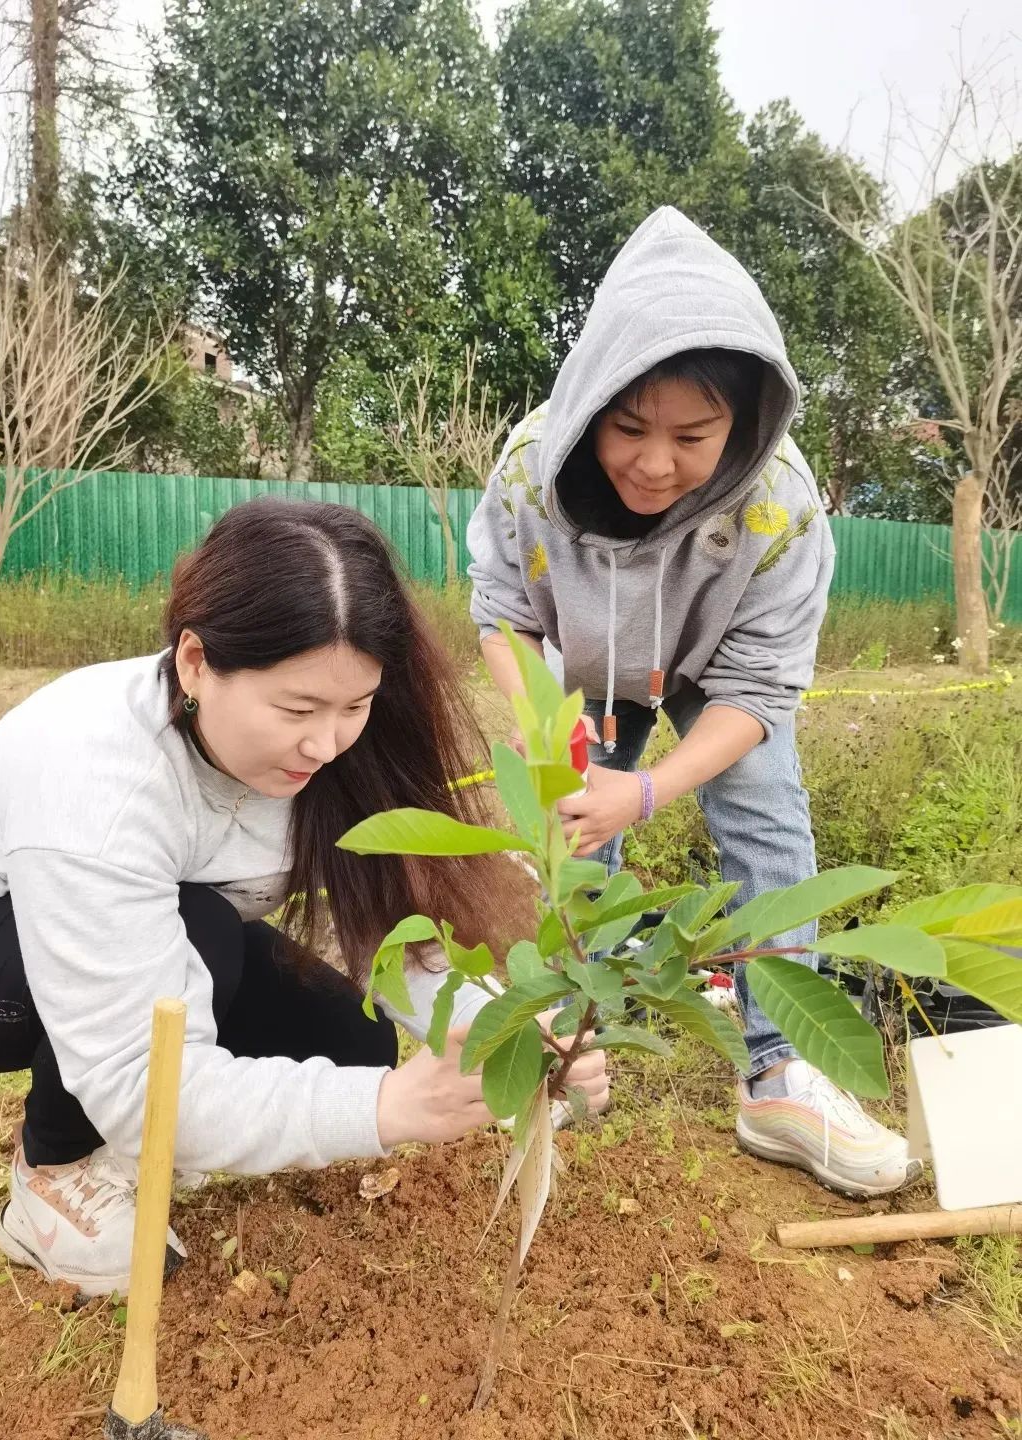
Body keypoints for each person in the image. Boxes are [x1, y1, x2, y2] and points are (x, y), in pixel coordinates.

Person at [0, 499, 609, 1295]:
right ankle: (51, 1177)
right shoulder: (97, 779)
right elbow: (134, 1075)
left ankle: (163, 1139)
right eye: (297, 709)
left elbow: (388, 930)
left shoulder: (330, 760)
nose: (325, 744)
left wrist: (503, 1032)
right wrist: (393, 1109)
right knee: (203, 938)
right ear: (194, 662)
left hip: (151, 932)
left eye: (353, 707)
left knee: (349, 1041)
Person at [467, 206, 918, 1200]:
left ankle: (779, 1072)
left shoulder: (780, 507)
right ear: (591, 404)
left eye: (692, 436)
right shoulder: (530, 471)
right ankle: (575, 1040)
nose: (654, 463)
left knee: (764, 819)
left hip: (716, 663)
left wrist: (652, 787)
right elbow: (503, 615)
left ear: (744, 422)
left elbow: (760, 690)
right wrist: (552, 735)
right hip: (591, 661)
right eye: (628, 428)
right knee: (580, 832)